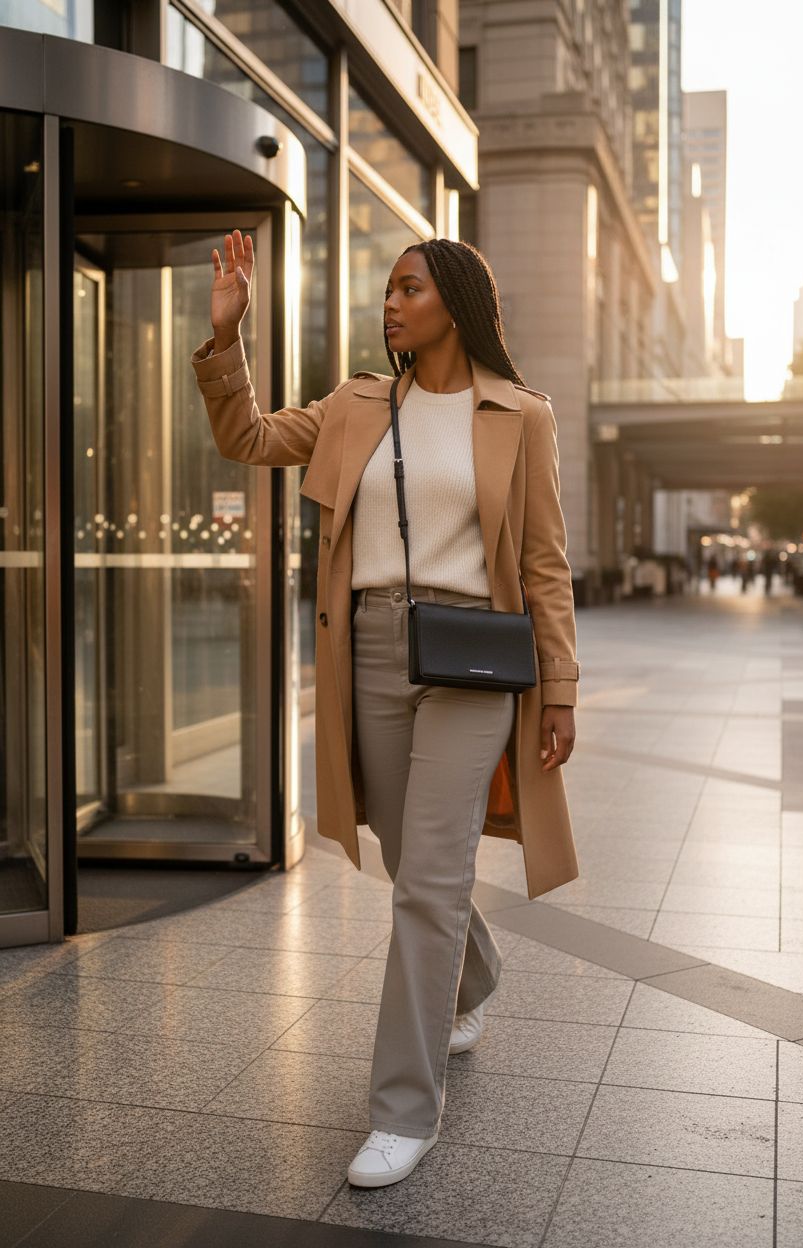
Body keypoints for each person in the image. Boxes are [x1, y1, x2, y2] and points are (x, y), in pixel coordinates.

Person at [191, 230, 581, 1188]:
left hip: (473, 662)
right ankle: (473, 975)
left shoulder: (519, 416)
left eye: (409, 288)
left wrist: (561, 688)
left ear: (455, 300)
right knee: (418, 869)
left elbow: (543, 563)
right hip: (368, 646)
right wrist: (226, 338)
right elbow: (248, 438)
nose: (391, 303)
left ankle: (402, 1112)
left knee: (428, 882)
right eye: (389, 290)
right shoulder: (358, 404)